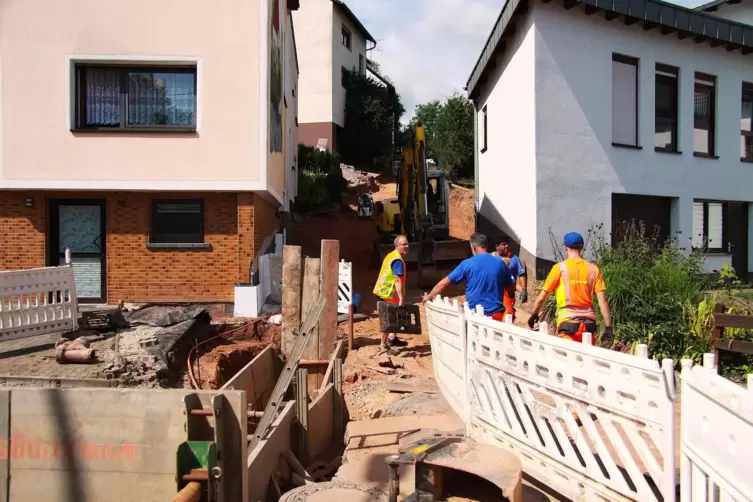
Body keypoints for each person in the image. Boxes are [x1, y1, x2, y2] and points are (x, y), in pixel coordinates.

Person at [527, 232, 614, 346]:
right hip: (589, 324)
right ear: (582, 247)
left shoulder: (559, 268)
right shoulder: (594, 269)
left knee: (567, 359)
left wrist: (534, 314)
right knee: (587, 359)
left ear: (565, 248)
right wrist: (608, 327)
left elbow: (542, 297)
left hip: (568, 322)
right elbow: (603, 302)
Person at [423, 233, 515, 321]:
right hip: (496, 315)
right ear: (486, 246)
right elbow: (511, 288)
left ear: (474, 248)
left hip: (475, 317)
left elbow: (444, 283)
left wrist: (430, 296)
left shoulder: (467, 264)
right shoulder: (500, 263)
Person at [373, 235, 410, 353]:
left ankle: (392, 338)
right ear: (397, 246)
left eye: (407, 244)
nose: (406, 246)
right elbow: (397, 279)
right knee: (389, 319)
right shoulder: (397, 260)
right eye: (403, 244)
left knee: (393, 317)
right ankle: (383, 345)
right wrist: (401, 297)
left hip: (382, 291)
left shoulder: (391, 255)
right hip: (388, 294)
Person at [492, 236, 528, 320]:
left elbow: (521, 274)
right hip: (492, 293)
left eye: (507, 244)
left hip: (508, 294)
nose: (507, 246)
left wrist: (524, 290)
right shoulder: (490, 257)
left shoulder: (514, 259)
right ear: (497, 246)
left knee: (507, 316)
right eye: (503, 244)